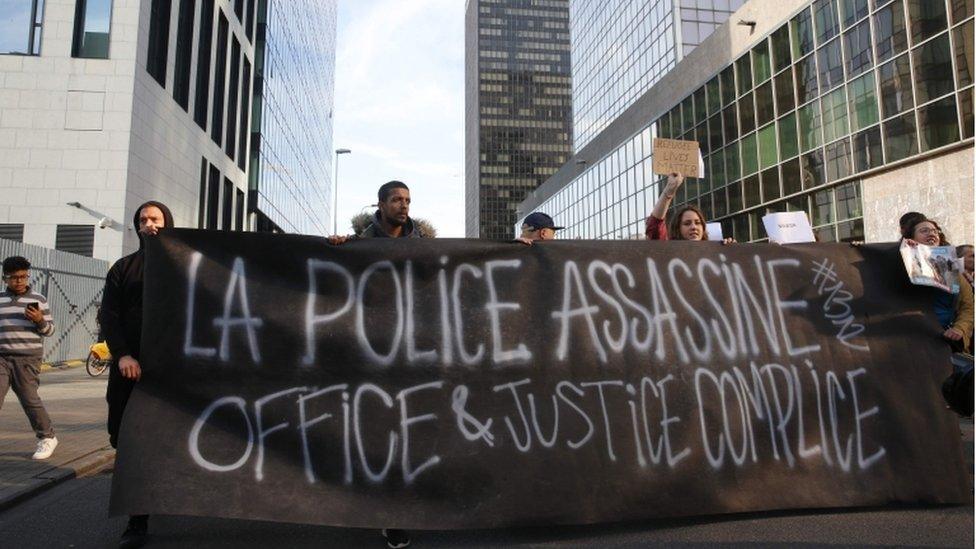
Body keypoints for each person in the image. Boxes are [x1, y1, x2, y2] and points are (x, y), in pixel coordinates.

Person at [100, 200, 174, 549]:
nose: (149, 224)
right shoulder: (123, 268)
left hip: (171, 374)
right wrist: (123, 355)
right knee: (124, 438)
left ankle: (138, 518)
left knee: (159, 442)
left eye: (155, 218)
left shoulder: (184, 266)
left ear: (167, 223)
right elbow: (109, 316)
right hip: (130, 371)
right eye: (143, 219)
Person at [0, 256, 57, 460]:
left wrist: (39, 319)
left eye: (23, 276)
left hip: (27, 358)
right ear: (5, 278)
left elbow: (49, 331)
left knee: (29, 399)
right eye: (14, 277)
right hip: (2, 357)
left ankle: (47, 437)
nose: (19, 281)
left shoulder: (39, 300)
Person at [902, 215, 973, 353]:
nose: (932, 234)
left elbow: (968, 308)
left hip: (944, 343)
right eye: (924, 231)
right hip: (911, 344)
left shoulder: (954, 270)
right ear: (911, 238)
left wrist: (959, 329)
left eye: (935, 231)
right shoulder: (901, 264)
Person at [328, 180, 429, 244]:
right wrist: (337, 245)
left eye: (407, 201)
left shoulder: (425, 244)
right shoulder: (360, 242)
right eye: (397, 200)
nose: (404, 206)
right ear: (381, 206)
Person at [645, 173, 734, 243]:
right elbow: (655, 225)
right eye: (687, 223)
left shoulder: (715, 253)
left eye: (698, 223)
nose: (693, 227)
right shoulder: (668, 252)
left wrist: (731, 251)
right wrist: (669, 191)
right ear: (677, 229)